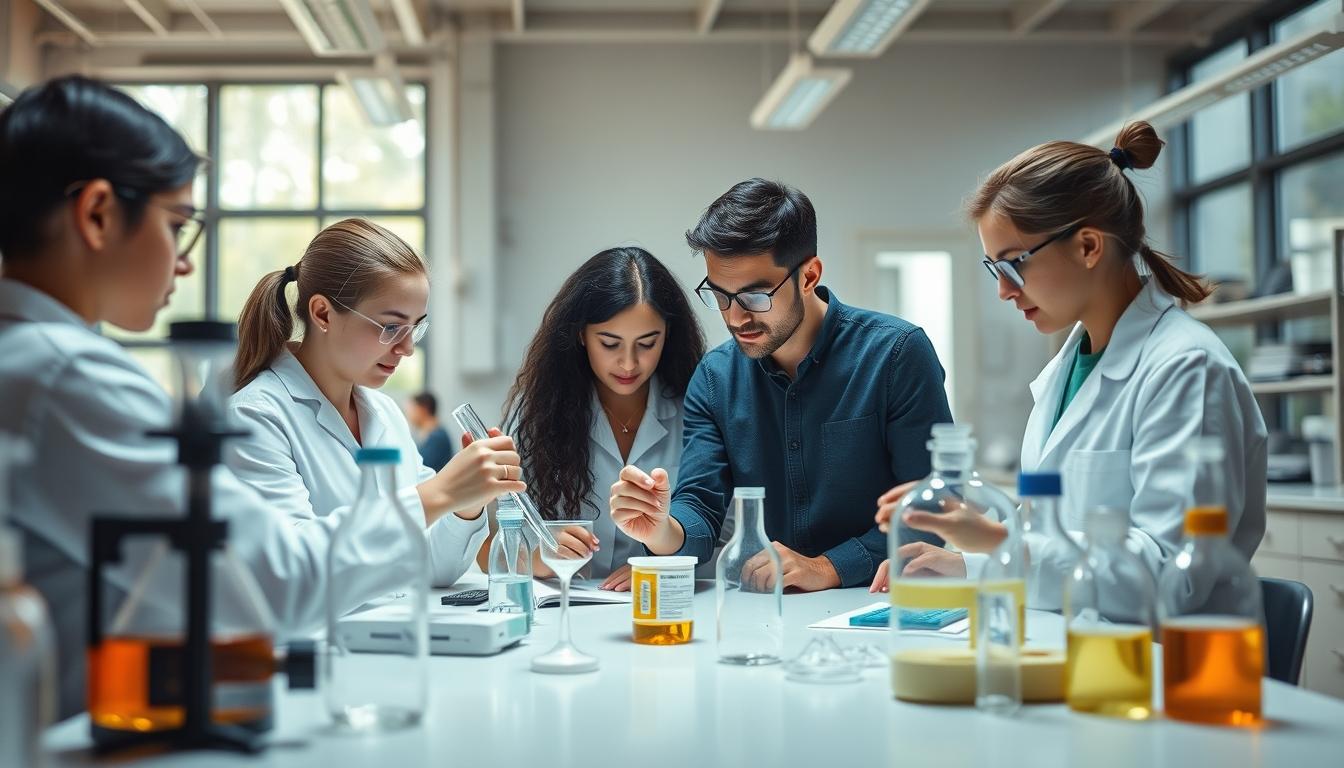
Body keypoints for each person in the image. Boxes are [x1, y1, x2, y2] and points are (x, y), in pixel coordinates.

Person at [0, 76, 461, 718]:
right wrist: (440, 495)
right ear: (98, 214)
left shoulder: (28, 359)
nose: (185, 264)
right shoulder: (66, 377)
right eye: (177, 226)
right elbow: (275, 586)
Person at [871, 123, 1267, 623]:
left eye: (1014, 265)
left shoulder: (1187, 368)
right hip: (1073, 643)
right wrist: (967, 556)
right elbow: (1050, 528)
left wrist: (994, 541)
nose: (1005, 291)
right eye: (995, 270)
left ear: (1087, 247)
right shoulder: (1068, 367)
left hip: (1161, 668)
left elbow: (1175, 576)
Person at [609, 178, 953, 591]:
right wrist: (661, 528)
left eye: (755, 297)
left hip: (877, 604)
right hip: (768, 612)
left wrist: (828, 567)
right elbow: (700, 505)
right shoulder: (716, 378)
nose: (736, 318)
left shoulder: (896, 354)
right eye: (720, 295)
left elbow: (931, 513)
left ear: (808, 276)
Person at [227, 218, 525, 588]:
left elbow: (432, 565)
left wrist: (466, 503)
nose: (407, 348)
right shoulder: (255, 417)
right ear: (322, 314)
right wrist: (438, 493)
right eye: (391, 326)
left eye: (416, 327)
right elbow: (292, 570)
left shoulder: (383, 413)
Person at [483, 247, 705, 590]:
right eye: (610, 343)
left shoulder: (696, 406)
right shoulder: (538, 412)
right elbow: (488, 546)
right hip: (567, 608)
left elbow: (725, 529)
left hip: (665, 607)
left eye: (647, 343)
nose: (629, 364)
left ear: (668, 336)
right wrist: (538, 557)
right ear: (580, 334)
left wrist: (666, 566)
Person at [408, 392, 454, 471]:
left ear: (423, 409)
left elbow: (422, 467)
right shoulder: (431, 434)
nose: (409, 415)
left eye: (412, 410)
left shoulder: (437, 437)